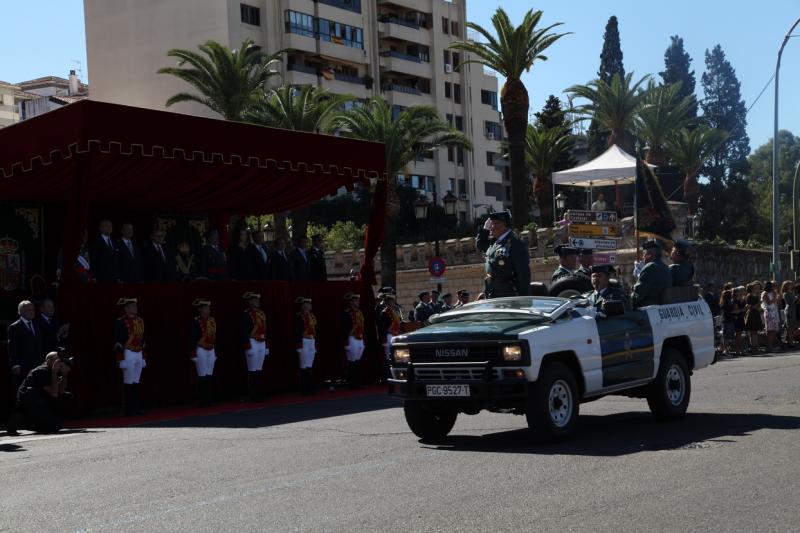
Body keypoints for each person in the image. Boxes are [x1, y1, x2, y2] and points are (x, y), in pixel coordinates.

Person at [5, 351, 72, 435]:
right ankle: (26, 422)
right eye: (57, 360)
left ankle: (43, 420)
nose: (59, 363)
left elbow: (61, 391)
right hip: (29, 404)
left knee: (67, 396)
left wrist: (64, 375)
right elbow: (54, 393)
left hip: (41, 401)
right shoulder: (41, 371)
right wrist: (54, 372)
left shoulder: (52, 370)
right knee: (55, 426)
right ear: (48, 361)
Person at [476, 210, 531, 297]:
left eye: (493, 224)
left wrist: (524, 300)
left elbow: (523, 275)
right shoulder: (495, 243)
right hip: (494, 295)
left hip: (509, 296)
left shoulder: (515, 243)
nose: (490, 227)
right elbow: (480, 244)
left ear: (502, 225)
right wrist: (484, 230)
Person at [113, 297, 146, 416]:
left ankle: (136, 407)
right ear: (126, 308)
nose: (135, 307)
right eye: (132, 306)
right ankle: (129, 409)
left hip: (138, 353)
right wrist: (120, 359)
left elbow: (142, 340)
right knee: (128, 382)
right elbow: (117, 342)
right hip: (128, 352)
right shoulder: (121, 321)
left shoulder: (140, 321)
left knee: (136, 381)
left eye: (135, 305)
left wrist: (143, 357)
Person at [8, 300, 45, 391]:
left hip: (38, 364)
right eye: (29, 310)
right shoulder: (15, 327)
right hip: (23, 365)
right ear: (21, 311)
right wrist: (15, 364)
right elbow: (13, 347)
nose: (32, 312)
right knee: (24, 390)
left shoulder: (37, 324)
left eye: (33, 310)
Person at [188, 298, 217, 406]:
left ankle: (209, 398)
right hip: (201, 349)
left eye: (208, 307)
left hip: (211, 348)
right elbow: (192, 338)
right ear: (200, 309)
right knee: (202, 375)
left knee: (209, 375)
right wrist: (193, 352)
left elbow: (214, 336)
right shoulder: (196, 321)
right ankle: (202, 399)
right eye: (205, 307)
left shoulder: (212, 320)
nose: (207, 309)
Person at [240, 291, 268, 401]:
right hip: (252, 341)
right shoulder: (246, 314)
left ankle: (259, 392)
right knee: (252, 369)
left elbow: (265, 329)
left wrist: (267, 345)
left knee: (259, 369)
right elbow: (244, 330)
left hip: (262, 341)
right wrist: (247, 345)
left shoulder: (261, 313)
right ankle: (253, 394)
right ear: (250, 301)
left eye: (257, 300)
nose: (257, 302)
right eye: (254, 300)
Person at [631, 240, 673, 309]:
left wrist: (628, 297)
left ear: (650, 254)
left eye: (644, 254)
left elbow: (637, 295)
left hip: (648, 308)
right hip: (662, 307)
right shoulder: (665, 267)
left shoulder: (649, 267)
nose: (643, 257)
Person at [293, 297, 317, 396]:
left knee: (309, 365)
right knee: (303, 366)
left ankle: (309, 387)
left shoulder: (312, 316)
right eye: (305, 304)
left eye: (309, 304)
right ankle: (303, 389)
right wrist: (299, 344)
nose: (308, 306)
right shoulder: (299, 316)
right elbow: (297, 331)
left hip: (311, 340)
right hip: (304, 341)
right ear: (302, 306)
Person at [342, 292, 365, 389]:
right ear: (351, 302)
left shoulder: (359, 312)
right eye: (355, 300)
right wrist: (349, 333)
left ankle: (358, 381)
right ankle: (351, 383)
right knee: (352, 361)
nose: (358, 302)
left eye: (358, 300)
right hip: (352, 338)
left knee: (358, 361)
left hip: (360, 337)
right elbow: (344, 326)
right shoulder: (347, 313)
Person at [378, 294, 402, 378]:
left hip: (395, 335)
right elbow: (382, 327)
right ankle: (387, 376)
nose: (392, 303)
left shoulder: (394, 311)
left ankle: (394, 374)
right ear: (387, 303)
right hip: (388, 336)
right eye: (390, 302)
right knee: (388, 357)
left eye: (393, 301)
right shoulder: (384, 313)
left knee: (395, 356)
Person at [89, 219, 119, 283]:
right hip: (101, 278)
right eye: (107, 226)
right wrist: (94, 276)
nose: (109, 228)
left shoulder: (115, 242)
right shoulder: (96, 243)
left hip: (114, 278)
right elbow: (94, 260)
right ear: (101, 228)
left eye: (110, 226)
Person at [744, 282, 763, 353]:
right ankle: (753, 346)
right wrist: (759, 303)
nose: (756, 289)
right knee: (752, 331)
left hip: (756, 314)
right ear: (751, 289)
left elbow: (758, 307)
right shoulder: (749, 296)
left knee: (755, 331)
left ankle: (756, 346)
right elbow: (751, 307)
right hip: (751, 314)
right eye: (755, 288)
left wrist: (760, 308)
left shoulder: (756, 296)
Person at [761, 281, 780, 352]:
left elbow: (775, 302)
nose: (774, 287)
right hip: (768, 312)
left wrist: (775, 296)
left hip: (773, 312)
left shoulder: (773, 293)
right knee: (769, 330)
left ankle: (771, 345)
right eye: (773, 286)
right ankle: (769, 346)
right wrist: (775, 297)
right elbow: (768, 302)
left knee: (774, 329)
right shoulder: (764, 293)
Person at [720, 290, 736, 356]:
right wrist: (735, 311)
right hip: (726, 321)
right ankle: (725, 350)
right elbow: (728, 312)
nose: (732, 294)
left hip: (730, 320)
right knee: (726, 336)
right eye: (730, 294)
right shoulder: (725, 303)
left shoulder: (730, 302)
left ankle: (727, 349)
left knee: (730, 336)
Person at [781, 281, 796, 348]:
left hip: (793, 309)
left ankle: (789, 340)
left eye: (791, 285)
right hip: (789, 310)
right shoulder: (785, 293)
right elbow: (788, 303)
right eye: (789, 285)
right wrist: (796, 299)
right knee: (789, 326)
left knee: (792, 326)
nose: (790, 286)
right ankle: (790, 342)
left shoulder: (791, 292)